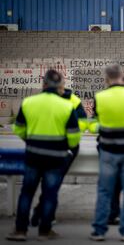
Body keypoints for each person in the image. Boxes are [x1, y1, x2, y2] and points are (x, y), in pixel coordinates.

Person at [6, 70, 81, 241]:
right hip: (56, 158)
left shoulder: (28, 102)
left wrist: (30, 140)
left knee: (26, 193)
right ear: (60, 86)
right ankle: (44, 231)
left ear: (44, 84)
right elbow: (74, 136)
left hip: (33, 155)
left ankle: (20, 230)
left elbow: (18, 128)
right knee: (49, 194)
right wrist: (66, 146)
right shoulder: (66, 106)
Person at [89, 65, 124, 242]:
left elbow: (97, 119)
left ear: (106, 78)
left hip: (108, 149)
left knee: (104, 190)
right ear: (122, 77)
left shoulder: (100, 97)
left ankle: (99, 230)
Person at [30, 85, 87, 227]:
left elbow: (82, 122)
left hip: (58, 146)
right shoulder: (68, 100)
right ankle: (44, 215)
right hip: (60, 146)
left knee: (52, 182)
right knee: (52, 182)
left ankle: (42, 214)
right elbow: (83, 123)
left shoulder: (66, 100)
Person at [108, 76, 124, 225]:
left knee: (121, 186)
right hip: (113, 149)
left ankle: (117, 217)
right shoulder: (107, 100)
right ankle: (115, 215)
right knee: (113, 185)